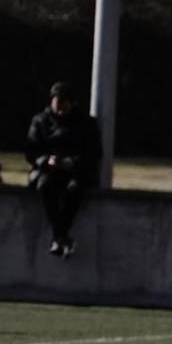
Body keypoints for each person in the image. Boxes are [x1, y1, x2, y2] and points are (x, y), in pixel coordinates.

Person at [24, 81, 101, 258]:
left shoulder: (86, 124)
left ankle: (59, 236)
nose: (60, 111)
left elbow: (95, 153)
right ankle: (61, 236)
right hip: (49, 171)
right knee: (45, 185)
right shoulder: (40, 121)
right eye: (57, 105)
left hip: (76, 171)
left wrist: (72, 162)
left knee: (75, 190)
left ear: (72, 104)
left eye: (64, 106)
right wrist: (46, 160)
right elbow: (31, 150)